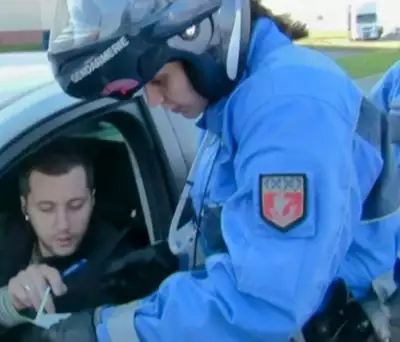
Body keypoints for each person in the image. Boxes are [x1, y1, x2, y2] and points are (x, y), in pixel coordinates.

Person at [25, 0, 400, 341]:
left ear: (202, 38)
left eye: (159, 80)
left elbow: (265, 300)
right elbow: (227, 228)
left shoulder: (290, 109)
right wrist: (158, 263)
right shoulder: (235, 101)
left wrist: (105, 333)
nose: (154, 101)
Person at [0, 140, 172, 342]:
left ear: (92, 199)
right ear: (25, 206)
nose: (63, 224)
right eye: (47, 208)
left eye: (76, 205)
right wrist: (9, 304)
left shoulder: (119, 259)